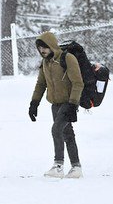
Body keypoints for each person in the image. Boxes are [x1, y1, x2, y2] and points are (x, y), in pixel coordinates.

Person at [29, 32, 84, 178]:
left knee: (56, 130)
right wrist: (34, 103)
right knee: (68, 135)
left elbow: (78, 83)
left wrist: (73, 104)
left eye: (45, 47)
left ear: (52, 45)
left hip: (68, 103)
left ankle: (58, 166)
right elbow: (41, 84)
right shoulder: (45, 63)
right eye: (40, 48)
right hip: (55, 104)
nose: (42, 51)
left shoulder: (67, 58)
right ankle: (76, 167)